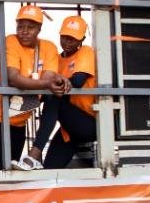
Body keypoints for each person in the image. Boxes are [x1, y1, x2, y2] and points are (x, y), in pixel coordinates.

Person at [0, 4, 66, 171]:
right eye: (21, 26)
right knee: (1, 169)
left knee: (13, 172)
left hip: (18, 120)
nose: (24, 31)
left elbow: (46, 82)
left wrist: (49, 82)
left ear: (39, 28)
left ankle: (35, 154)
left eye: (30, 27)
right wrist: (47, 83)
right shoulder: (10, 41)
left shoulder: (49, 47)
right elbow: (13, 78)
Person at [29, 15, 98, 169]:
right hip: (68, 127)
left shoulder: (85, 52)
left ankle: (35, 151)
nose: (67, 42)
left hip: (87, 121)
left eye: (72, 38)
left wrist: (57, 81)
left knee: (54, 96)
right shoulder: (57, 60)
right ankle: (36, 156)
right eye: (64, 37)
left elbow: (78, 81)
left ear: (82, 40)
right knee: (50, 170)